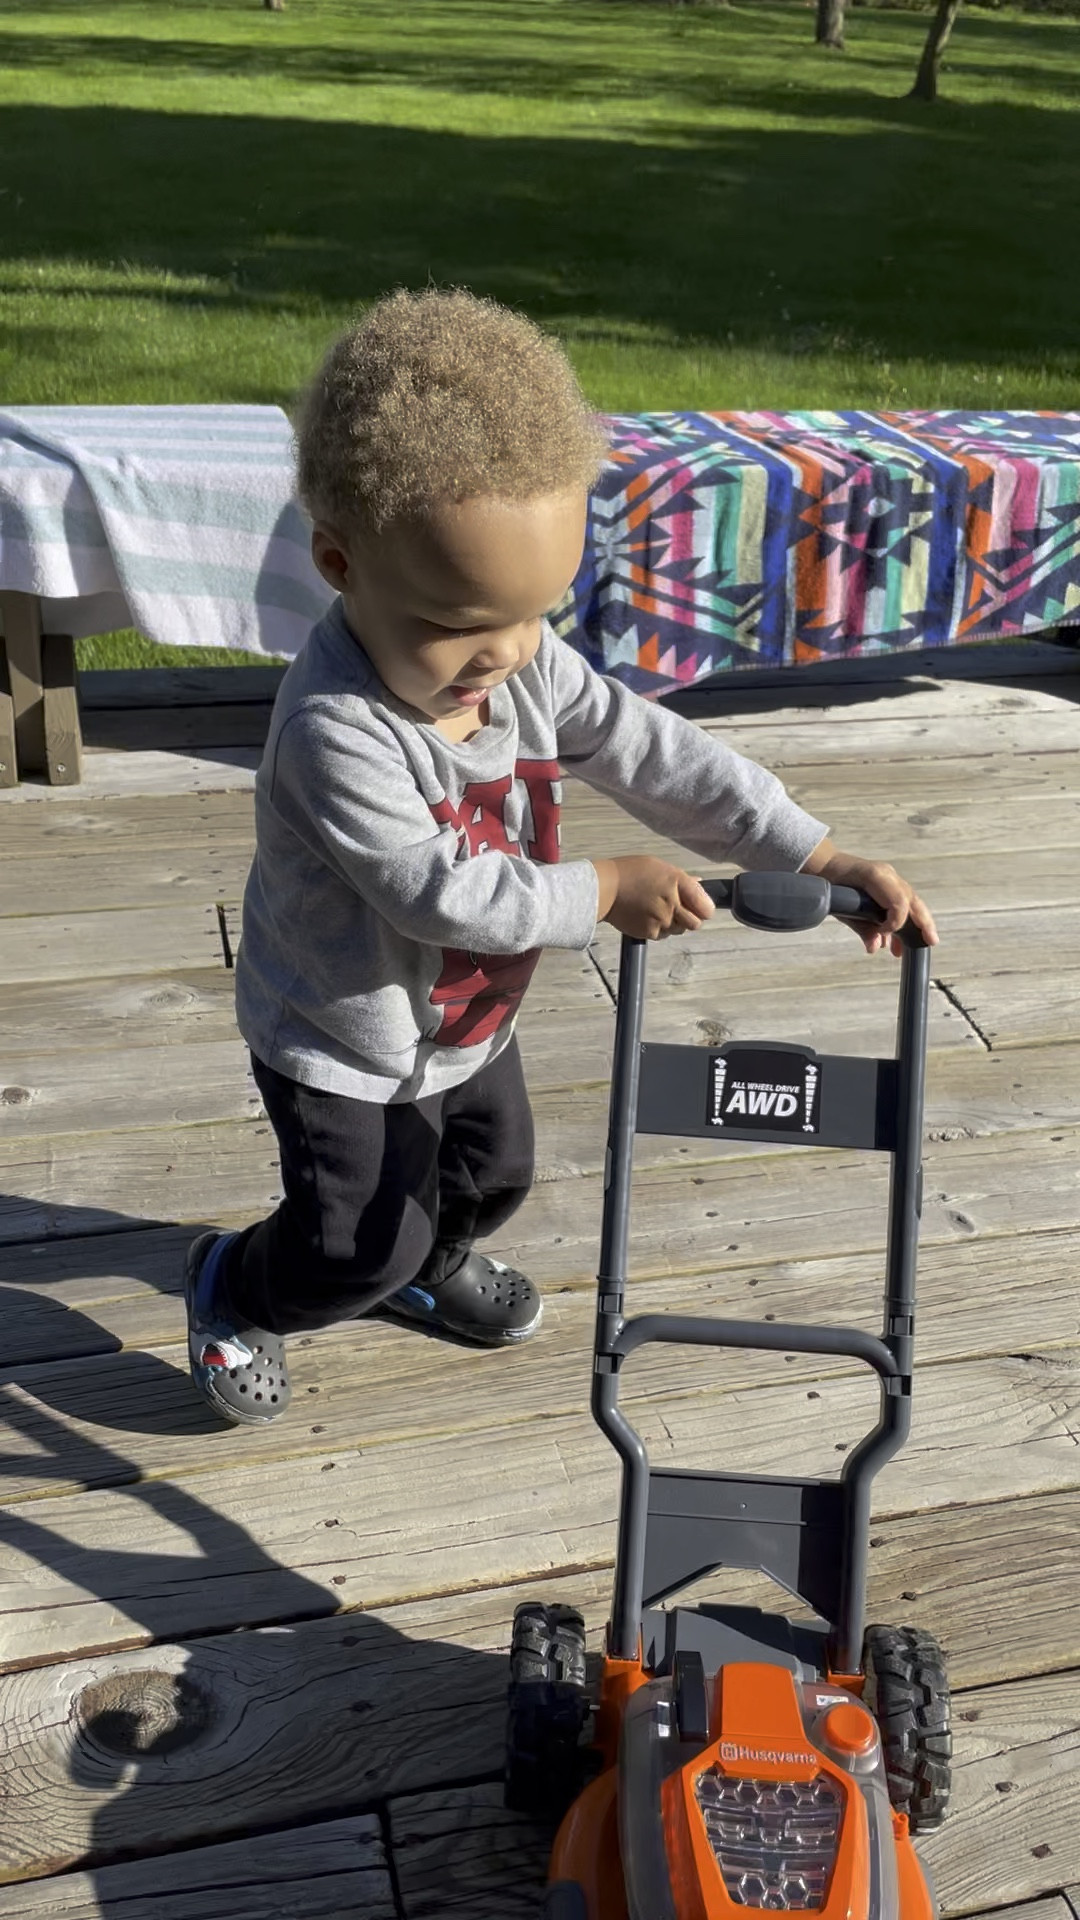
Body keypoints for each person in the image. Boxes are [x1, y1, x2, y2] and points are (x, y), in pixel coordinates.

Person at [184, 287, 938, 1428]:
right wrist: (602, 890)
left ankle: (428, 1264)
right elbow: (440, 892)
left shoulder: (517, 659)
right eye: (459, 622)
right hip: (342, 1037)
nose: (506, 655)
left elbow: (651, 751)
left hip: (466, 1018)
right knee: (351, 1246)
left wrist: (820, 853)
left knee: (493, 1174)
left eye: (536, 612)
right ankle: (239, 1283)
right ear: (341, 563)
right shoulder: (332, 731)